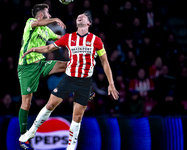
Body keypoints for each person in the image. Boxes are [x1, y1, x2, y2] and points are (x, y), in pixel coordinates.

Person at [19, 13, 119, 150]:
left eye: (83, 16)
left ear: (89, 23)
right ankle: (31, 131)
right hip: (69, 78)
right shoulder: (69, 37)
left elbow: (105, 63)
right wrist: (34, 49)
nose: (80, 17)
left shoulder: (96, 40)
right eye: (78, 16)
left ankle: (70, 148)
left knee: (77, 117)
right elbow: (49, 48)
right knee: (50, 105)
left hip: (84, 82)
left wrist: (111, 84)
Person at [17, 3, 68, 149]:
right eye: (48, 13)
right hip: (26, 67)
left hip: (41, 64)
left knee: (66, 65)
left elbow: (60, 38)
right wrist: (55, 19)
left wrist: (77, 39)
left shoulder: (46, 30)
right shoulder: (30, 23)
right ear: (41, 15)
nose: (50, 15)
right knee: (26, 103)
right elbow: (38, 23)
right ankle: (23, 137)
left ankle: (82, 89)